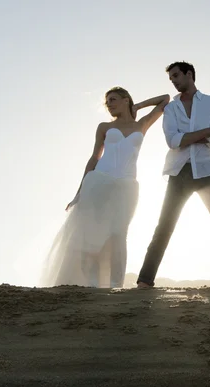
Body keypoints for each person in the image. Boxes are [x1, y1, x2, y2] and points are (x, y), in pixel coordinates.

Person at [136, 61, 210, 289]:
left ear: (189, 74)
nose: (174, 81)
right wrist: (207, 131)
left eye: (176, 76)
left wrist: (195, 135)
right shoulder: (170, 109)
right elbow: (173, 141)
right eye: (171, 78)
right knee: (164, 227)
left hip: (207, 171)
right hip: (178, 172)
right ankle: (144, 281)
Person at [39, 87, 170, 288]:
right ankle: (83, 283)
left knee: (118, 234)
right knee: (90, 234)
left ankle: (112, 283)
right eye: (107, 101)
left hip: (127, 187)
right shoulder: (104, 127)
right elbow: (94, 158)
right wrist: (79, 193)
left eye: (113, 99)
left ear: (126, 100)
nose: (109, 104)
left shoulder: (142, 125)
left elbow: (165, 99)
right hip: (99, 182)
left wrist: (139, 106)